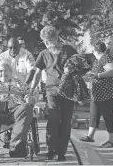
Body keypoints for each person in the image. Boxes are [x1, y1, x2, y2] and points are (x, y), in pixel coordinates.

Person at [29, 25, 78, 161]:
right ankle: (51, 150)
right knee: (53, 120)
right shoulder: (44, 54)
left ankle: (61, 152)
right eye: (45, 42)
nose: (47, 44)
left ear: (56, 38)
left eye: (49, 41)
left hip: (68, 92)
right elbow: (38, 73)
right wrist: (32, 90)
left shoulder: (69, 50)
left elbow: (80, 65)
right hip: (52, 92)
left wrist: (73, 70)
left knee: (65, 122)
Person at [79, 40, 113, 148]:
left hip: (108, 94)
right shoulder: (98, 60)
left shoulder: (106, 57)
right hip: (98, 94)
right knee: (94, 114)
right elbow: (94, 74)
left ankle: (112, 141)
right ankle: (90, 136)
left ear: (95, 49)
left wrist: (97, 76)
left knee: (108, 115)